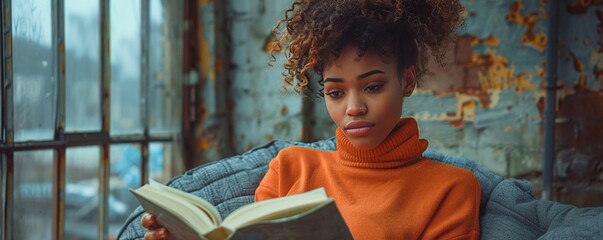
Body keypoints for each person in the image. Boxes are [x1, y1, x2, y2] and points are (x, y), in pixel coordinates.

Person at [142, 0, 479, 239]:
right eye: (335, 92)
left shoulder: (451, 188)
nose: (354, 107)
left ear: (406, 81)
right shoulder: (290, 168)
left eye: (373, 86)